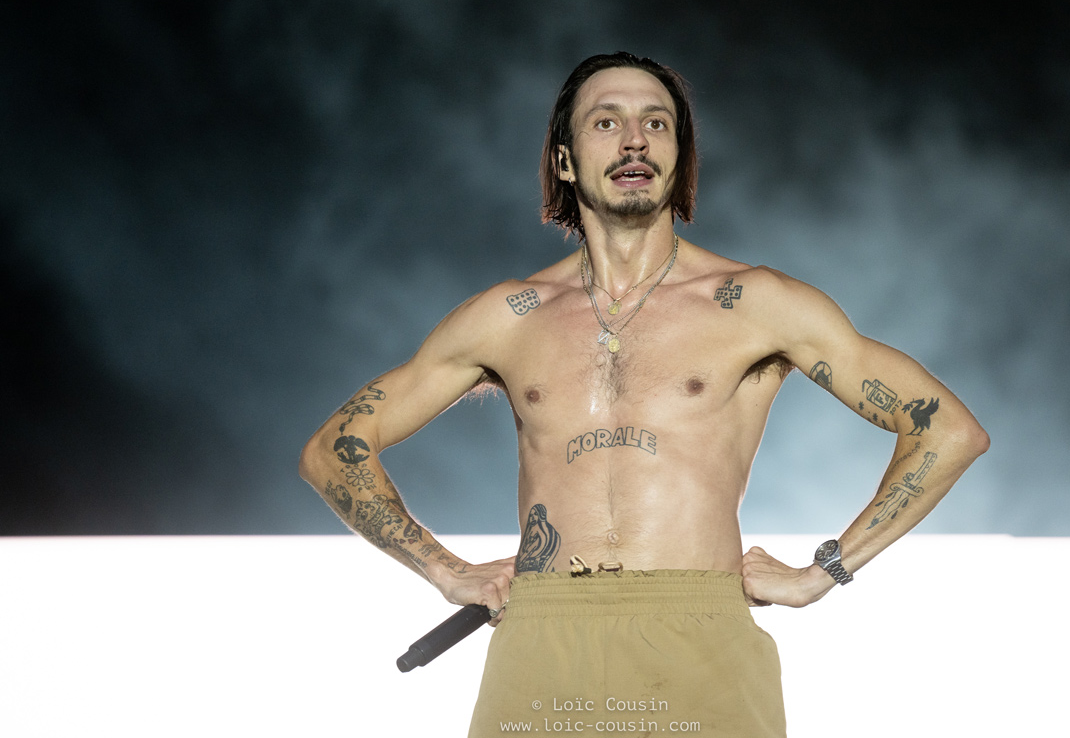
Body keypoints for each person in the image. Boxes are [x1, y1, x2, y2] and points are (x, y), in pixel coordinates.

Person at [300, 51, 989, 736]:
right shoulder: (509, 317)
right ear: (564, 161)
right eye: (607, 122)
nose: (635, 139)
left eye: (657, 123)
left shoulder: (754, 303)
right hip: (543, 635)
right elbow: (333, 450)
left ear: (678, 157)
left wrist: (825, 570)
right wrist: (446, 572)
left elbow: (948, 430)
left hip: (700, 634)